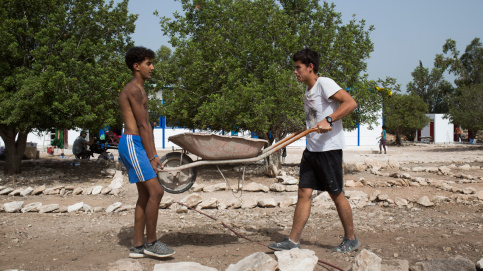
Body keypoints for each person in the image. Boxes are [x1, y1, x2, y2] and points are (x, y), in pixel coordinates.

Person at [269, 48, 360, 253]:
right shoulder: (308, 91)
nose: (295, 72)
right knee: (303, 193)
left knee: (336, 194)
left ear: (310, 67)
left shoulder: (324, 83)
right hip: (312, 150)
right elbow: (314, 121)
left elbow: (351, 103)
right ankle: (293, 241)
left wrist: (329, 120)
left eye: (298, 68)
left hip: (329, 150)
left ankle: (351, 238)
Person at [118, 46, 175, 259]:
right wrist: (152, 156)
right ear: (136, 66)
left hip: (137, 144)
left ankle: (137, 246)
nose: (153, 67)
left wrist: (153, 154)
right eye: (148, 63)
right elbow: (142, 126)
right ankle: (152, 242)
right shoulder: (133, 89)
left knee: (144, 195)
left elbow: (147, 127)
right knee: (156, 192)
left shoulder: (140, 89)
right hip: (133, 143)